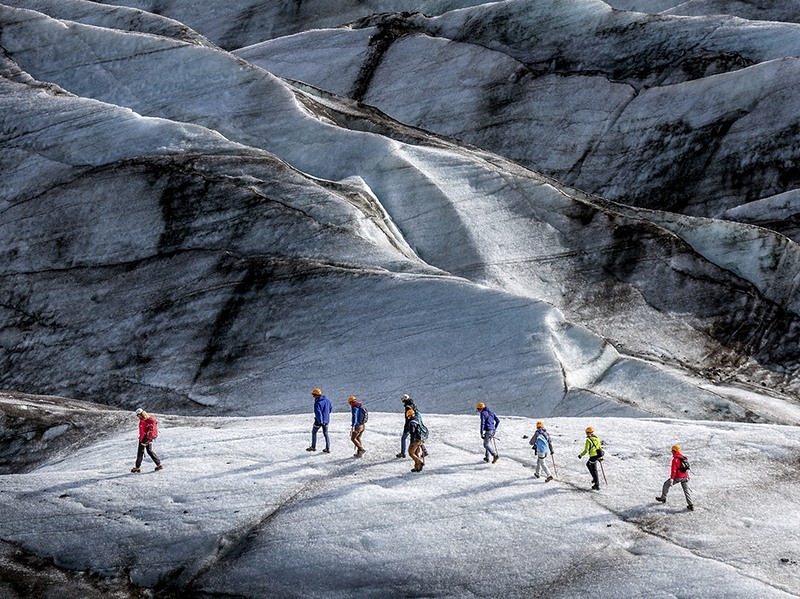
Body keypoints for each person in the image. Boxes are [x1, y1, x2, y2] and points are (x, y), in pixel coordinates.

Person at [656, 445, 694, 510]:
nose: (672, 452)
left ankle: (663, 498)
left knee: (666, 484)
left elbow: (673, 470)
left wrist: (672, 479)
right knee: (686, 491)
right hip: (685, 477)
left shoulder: (675, 460)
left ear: (674, 451)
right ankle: (690, 505)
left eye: (672, 451)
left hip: (678, 477)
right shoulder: (683, 457)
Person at [131, 408, 162, 473]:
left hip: (144, 439)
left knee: (140, 452)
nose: (137, 417)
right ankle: (158, 464)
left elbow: (142, 432)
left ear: (140, 414)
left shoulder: (142, 421)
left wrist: (140, 439)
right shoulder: (149, 419)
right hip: (150, 438)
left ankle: (137, 467)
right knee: (149, 451)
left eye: (137, 415)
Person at [307, 388, 332, 453]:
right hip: (326, 420)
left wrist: (320, 421)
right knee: (326, 434)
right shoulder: (327, 400)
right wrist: (326, 417)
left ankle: (313, 447)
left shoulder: (317, 403)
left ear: (316, 395)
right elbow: (330, 408)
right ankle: (328, 448)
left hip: (319, 421)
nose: (313, 396)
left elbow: (318, 413)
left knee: (314, 432)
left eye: (313, 395)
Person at [406, 408, 428, 472]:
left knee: (411, 452)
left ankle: (419, 463)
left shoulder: (412, 423)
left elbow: (413, 432)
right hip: (420, 439)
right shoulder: (417, 419)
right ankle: (417, 467)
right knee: (416, 452)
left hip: (416, 440)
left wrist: (412, 442)